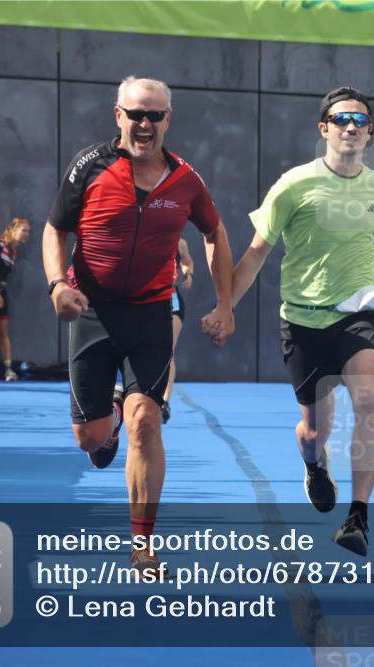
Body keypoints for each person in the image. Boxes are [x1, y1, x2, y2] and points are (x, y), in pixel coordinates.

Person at [229, 86, 374, 556]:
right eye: (341, 119)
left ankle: (358, 516)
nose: (350, 126)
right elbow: (256, 253)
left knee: (369, 400)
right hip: (303, 318)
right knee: (314, 430)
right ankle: (314, 466)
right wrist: (223, 305)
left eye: (359, 120)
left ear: (370, 132)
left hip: (358, 312)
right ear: (324, 129)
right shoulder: (293, 185)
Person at [43, 76, 234, 573]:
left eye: (155, 115)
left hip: (151, 313)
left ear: (169, 119)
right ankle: (104, 417)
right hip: (91, 312)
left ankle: (142, 545)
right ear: (118, 115)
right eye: (136, 114)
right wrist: (56, 286)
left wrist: (225, 303)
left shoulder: (186, 179)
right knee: (90, 439)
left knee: (146, 422)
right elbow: (55, 229)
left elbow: (214, 232)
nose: (145, 124)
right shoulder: (90, 166)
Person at [0, 217, 31, 381]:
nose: (27, 234)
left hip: (2, 292)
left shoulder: (13, 251)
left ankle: (8, 369)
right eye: (23, 230)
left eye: (28, 231)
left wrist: (0, 293)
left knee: (3, 330)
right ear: (13, 229)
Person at [160, 237, 193, 423]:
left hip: (172, 300)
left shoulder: (179, 243)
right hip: (150, 300)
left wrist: (188, 274)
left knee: (168, 351)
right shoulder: (146, 236)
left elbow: (187, 262)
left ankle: (165, 401)